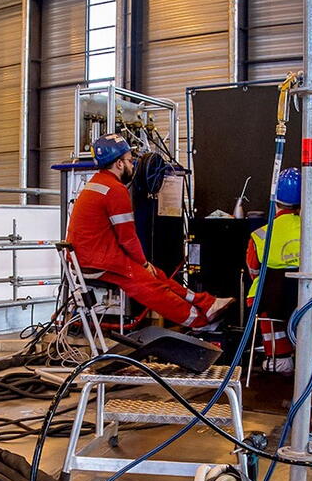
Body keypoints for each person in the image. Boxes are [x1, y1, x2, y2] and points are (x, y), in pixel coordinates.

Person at [66, 132, 232, 331]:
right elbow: (127, 238)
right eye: (129, 160)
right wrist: (143, 263)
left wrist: (145, 265)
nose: (133, 165)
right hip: (98, 261)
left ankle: (206, 302)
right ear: (119, 164)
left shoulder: (94, 184)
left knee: (157, 274)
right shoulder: (115, 191)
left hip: (88, 257)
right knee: (152, 287)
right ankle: (200, 322)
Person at [245, 168, 312, 363]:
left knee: (265, 297)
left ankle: (279, 358)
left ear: (275, 200)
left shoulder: (261, 234)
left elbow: (253, 270)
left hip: (274, 302)